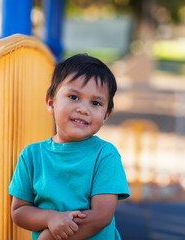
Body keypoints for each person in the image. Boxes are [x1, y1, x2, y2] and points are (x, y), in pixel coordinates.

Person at [8, 54, 130, 240]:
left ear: (106, 115)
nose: (83, 109)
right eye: (73, 97)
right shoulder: (32, 155)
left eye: (96, 103)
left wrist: (49, 237)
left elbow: (101, 216)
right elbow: (19, 211)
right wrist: (50, 218)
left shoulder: (105, 155)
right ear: (51, 102)